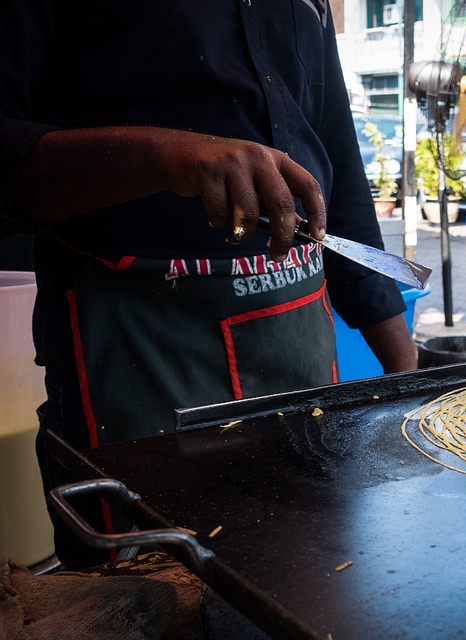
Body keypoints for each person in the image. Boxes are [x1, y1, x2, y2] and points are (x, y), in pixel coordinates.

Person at [1, 1, 418, 569]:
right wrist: (164, 154)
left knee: (307, 561)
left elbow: (334, 160)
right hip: (135, 335)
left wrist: (406, 369)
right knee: (150, 581)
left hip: (294, 330)